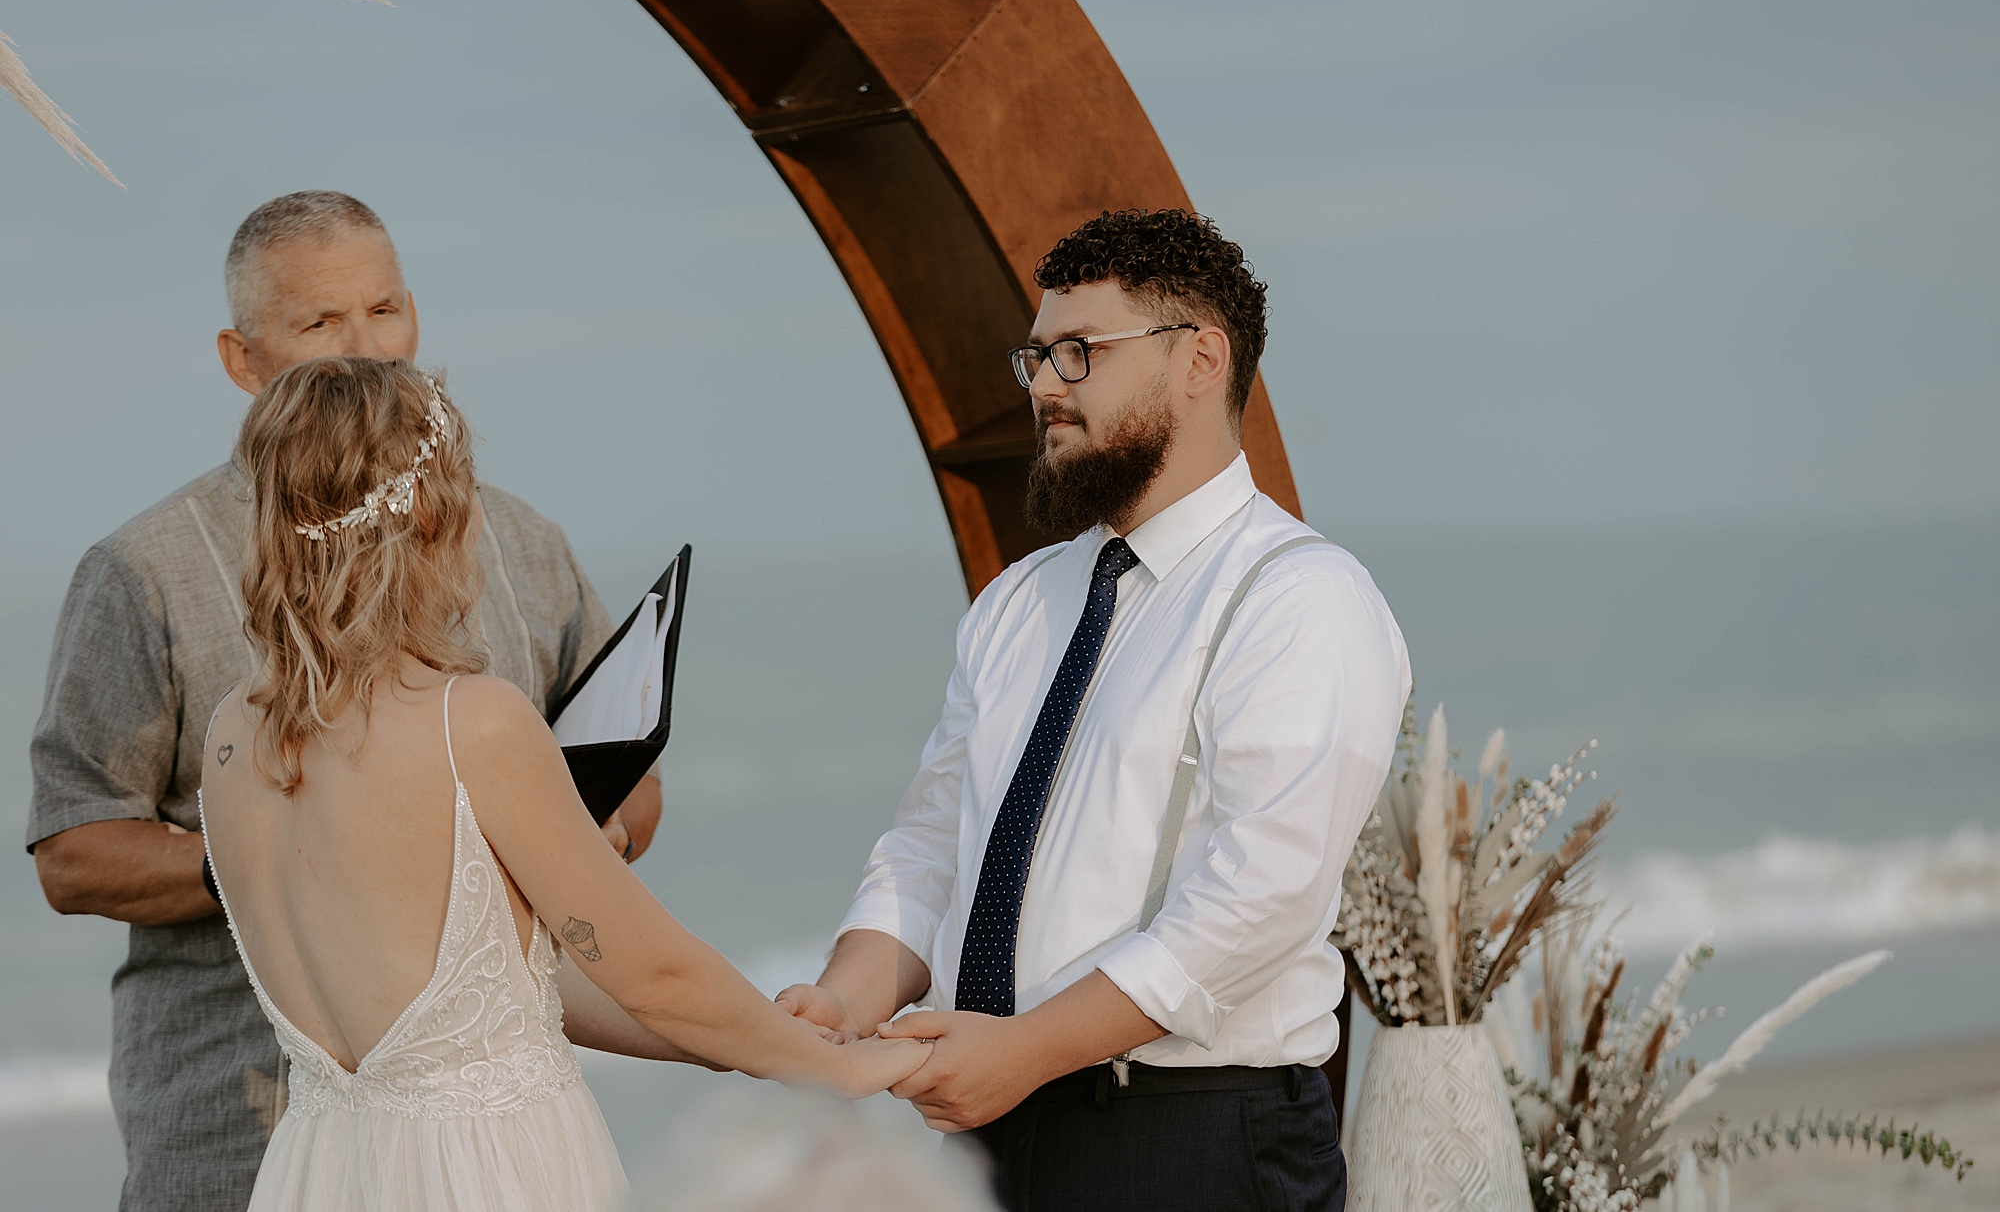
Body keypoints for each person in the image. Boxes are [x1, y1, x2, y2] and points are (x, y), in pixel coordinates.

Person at [27, 190, 662, 1212]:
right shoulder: (142, 570)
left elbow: (628, 785)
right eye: (320, 322)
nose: (366, 347)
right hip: (238, 1123)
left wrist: (591, 838)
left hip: (481, 1133)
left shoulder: (521, 540)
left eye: (383, 310)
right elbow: (74, 851)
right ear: (241, 359)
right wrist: (314, 852)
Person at [778, 209, 1412, 1210]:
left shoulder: (1300, 598)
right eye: (1034, 357)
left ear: (1198, 359)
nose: (1041, 387)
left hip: (1192, 1141)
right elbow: (932, 845)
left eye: (1078, 354)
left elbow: (1257, 899)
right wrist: (842, 1001)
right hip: (992, 1126)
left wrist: (1025, 1050)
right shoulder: (1018, 600)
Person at [198, 356, 928, 1210]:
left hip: (321, 1170)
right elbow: (654, 971)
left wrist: (744, 1034)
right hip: (489, 1172)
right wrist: (838, 1068)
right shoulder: (472, 720)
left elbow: (514, 983)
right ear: (433, 510)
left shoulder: (231, 739)